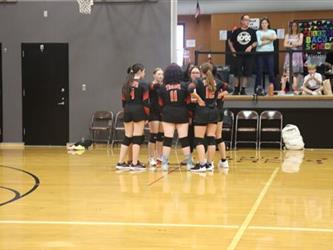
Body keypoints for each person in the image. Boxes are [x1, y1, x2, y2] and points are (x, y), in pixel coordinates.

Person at [158, 64, 193, 171]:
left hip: (167, 113)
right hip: (182, 113)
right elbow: (188, 102)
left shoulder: (163, 87)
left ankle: (164, 163)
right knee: (184, 139)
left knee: (167, 139)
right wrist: (190, 115)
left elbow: (160, 103)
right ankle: (189, 163)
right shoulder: (184, 86)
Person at [116, 63, 149, 171]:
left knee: (127, 136)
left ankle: (120, 162)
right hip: (138, 110)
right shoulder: (143, 85)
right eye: (144, 71)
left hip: (127, 110)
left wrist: (127, 109)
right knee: (137, 137)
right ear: (139, 71)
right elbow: (145, 101)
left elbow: (123, 101)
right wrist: (147, 115)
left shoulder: (126, 84)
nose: (145, 73)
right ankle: (134, 163)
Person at [189, 63, 220, 172]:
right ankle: (209, 164)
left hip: (202, 111)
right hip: (213, 111)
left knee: (199, 139)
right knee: (211, 138)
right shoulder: (217, 82)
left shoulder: (198, 81)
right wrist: (217, 97)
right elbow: (229, 88)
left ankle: (201, 165)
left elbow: (189, 89)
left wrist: (199, 99)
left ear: (202, 71)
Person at [228, 14, 257, 95]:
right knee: (237, 73)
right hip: (238, 54)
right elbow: (230, 41)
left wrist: (251, 46)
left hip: (249, 55)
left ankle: (243, 89)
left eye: (248, 20)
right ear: (241, 21)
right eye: (246, 20)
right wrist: (232, 50)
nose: (247, 21)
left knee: (246, 73)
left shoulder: (252, 31)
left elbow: (256, 42)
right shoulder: (237, 31)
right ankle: (236, 89)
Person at [212, 66, 231, 169]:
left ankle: (208, 162)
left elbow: (230, 89)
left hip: (214, 111)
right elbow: (230, 89)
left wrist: (221, 94)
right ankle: (223, 160)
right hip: (217, 111)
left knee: (212, 136)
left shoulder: (216, 82)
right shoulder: (217, 82)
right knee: (217, 136)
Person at [255, 17, 277, 94]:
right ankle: (258, 89)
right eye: (262, 23)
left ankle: (274, 89)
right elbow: (259, 43)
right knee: (259, 72)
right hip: (260, 53)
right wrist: (270, 39)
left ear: (268, 24)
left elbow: (275, 37)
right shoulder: (258, 32)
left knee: (271, 71)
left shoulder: (272, 31)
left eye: (265, 23)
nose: (264, 24)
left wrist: (264, 37)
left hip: (270, 53)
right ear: (261, 24)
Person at [148, 68, 164, 168]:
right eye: (158, 74)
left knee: (160, 136)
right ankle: (151, 157)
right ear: (154, 75)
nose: (161, 76)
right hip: (153, 112)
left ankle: (159, 157)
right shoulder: (151, 85)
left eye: (162, 74)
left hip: (162, 112)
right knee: (153, 135)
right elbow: (153, 87)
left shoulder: (163, 86)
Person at [283, 21, 304, 93]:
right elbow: (285, 45)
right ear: (290, 27)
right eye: (292, 26)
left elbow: (300, 43)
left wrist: (290, 43)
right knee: (288, 72)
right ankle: (290, 89)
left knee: (296, 73)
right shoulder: (287, 35)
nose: (294, 27)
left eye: (295, 26)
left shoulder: (300, 35)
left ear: (297, 27)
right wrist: (295, 44)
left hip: (297, 56)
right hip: (289, 55)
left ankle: (296, 89)